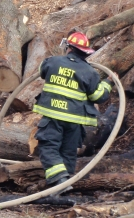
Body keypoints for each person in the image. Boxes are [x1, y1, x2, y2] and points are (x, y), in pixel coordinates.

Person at [33, 32, 111, 188]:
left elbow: (42, 70)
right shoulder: (90, 72)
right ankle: (66, 183)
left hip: (53, 117)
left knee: (48, 146)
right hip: (75, 120)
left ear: (68, 48)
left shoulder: (53, 62)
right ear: (86, 52)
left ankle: (59, 180)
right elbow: (98, 96)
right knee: (68, 151)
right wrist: (108, 83)